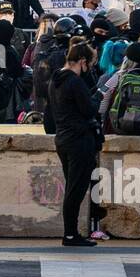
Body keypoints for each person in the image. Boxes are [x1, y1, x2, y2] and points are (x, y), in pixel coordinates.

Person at [49, 40, 100, 246]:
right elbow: (89, 110)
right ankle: (70, 234)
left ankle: (71, 233)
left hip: (63, 138)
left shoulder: (56, 80)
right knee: (76, 190)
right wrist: (98, 96)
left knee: (72, 186)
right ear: (82, 61)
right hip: (79, 140)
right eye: (89, 64)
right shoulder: (75, 82)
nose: (89, 69)